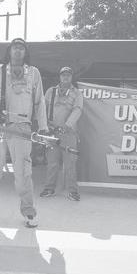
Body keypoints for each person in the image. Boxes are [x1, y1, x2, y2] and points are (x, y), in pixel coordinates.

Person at [0, 38, 47, 227]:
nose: (17, 51)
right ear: (9, 51)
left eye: (21, 48)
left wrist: (43, 126)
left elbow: (40, 100)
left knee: (23, 173)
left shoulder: (33, 73)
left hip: (22, 128)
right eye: (14, 47)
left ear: (25, 52)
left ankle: (28, 211)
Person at [40, 67, 83, 201]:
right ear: (59, 76)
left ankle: (72, 191)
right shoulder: (50, 91)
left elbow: (78, 109)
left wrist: (67, 125)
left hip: (69, 133)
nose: (65, 77)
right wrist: (44, 126)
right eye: (63, 75)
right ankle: (49, 188)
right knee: (52, 162)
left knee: (70, 164)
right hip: (52, 133)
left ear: (71, 77)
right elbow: (42, 109)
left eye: (68, 75)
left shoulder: (77, 93)